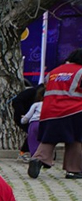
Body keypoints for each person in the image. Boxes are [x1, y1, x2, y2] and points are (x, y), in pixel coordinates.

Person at [30, 49, 82, 179]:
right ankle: (73, 170)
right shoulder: (80, 71)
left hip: (49, 110)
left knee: (49, 138)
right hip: (73, 110)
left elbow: (45, 86)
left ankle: (38, 159)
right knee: (76, 139)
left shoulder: (55, 71)